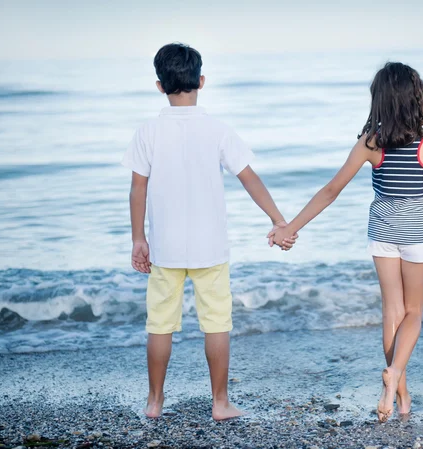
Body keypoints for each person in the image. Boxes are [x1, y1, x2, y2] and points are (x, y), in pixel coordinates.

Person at [270, 62, 423, 422]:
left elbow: (331, 190)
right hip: (418, 236)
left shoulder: (370, 142)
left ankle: (401, 399)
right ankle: (393, 379)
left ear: (380, 100)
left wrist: (290, 227)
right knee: (414, 313)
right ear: (416, 96)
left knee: (392, 313)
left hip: (382, 236)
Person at [122, 42, 296, 420]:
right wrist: (277, 220)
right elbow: (249, 178)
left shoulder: (147, 132)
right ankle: (220, 402)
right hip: (210, 247)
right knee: (217, 322)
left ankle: (154, 402)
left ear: (159, 85)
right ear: (201, 80)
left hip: (165, 248)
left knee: (159, 324)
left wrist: (139, 238)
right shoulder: (217, 130)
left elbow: (138, 188)